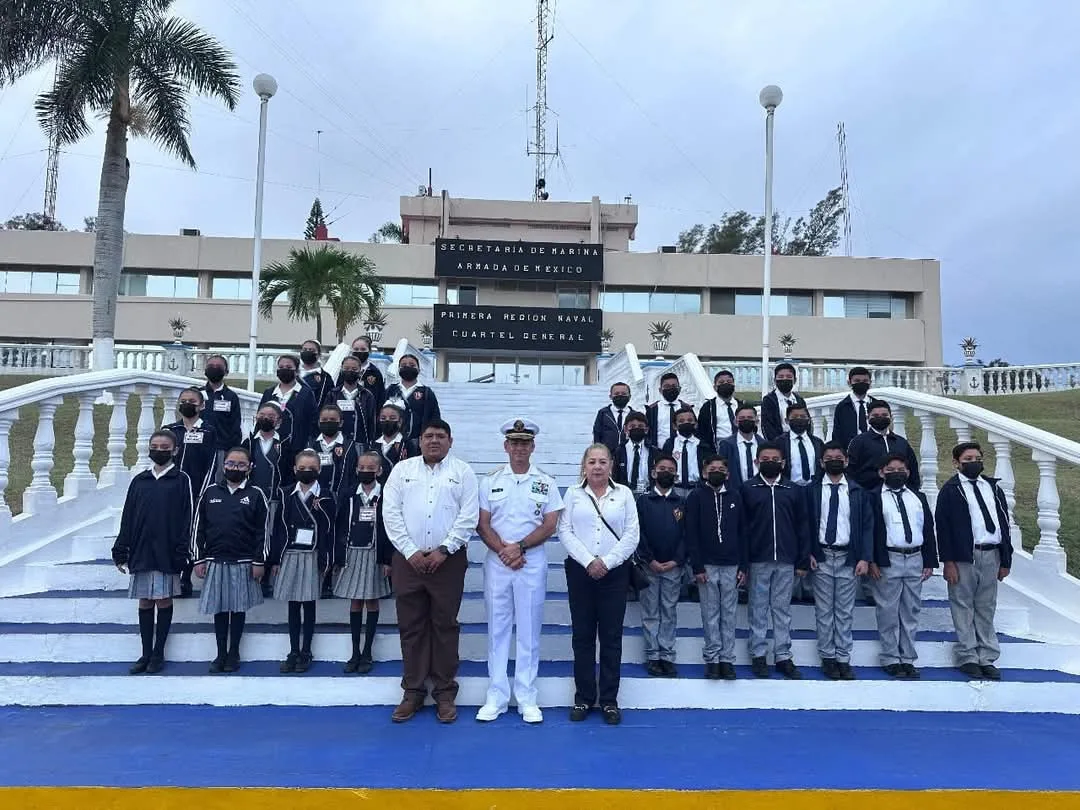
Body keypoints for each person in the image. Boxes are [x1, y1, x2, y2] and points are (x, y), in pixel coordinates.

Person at [382, 419, 479, 724]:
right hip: (408, 561)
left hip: (447, 562)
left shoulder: (462, 472)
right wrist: (410, 551)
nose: (434, 441)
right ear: (419, 441)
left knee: (445, 625)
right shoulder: (402, 471)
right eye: (428, 436)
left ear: (450, 441)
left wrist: (444, 549)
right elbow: (390, 512)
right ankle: (412, 691)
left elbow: (469, 515)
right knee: (411, 627)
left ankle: (445, 693)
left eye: (440, 436)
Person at [475, 419, 563, 724]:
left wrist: (520, 548)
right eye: (514, 443)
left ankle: (526, 697)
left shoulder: (546, 482)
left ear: (533, 446)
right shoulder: (490, 480)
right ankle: (496, 696)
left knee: (528, 630)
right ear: (505, 446)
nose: (519, 448)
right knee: (497, 631)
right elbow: (483, 523)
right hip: (499, 563)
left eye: (525, 443)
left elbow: (550, 523)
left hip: (531, 562)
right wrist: (505, 550)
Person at [558, 444, 640, 726]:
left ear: (611, 465)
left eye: (602, 461)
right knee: (582, 637)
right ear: (584, 465)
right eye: (591, 461)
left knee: (611, 638)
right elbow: (564, 531)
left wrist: (606, 561)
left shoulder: (625, 494)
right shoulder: (572, 494)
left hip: (615, 573)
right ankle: (583, 697)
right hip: (581, 572)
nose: (597, 466)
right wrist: (588, 561)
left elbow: (632, 534)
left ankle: (608, 701)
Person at [111, 430, 192, 675]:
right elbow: (128, 516)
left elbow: (188, 517)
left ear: (175, 450)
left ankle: (159, 653)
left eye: (165, 446)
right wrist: (121, 547)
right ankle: (145, 653)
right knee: (145, 601)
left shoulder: (181, 479)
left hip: (167, 550)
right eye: (155, 446)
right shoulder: (140, 480)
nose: (159, 450)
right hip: (141, 549)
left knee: (163, 599)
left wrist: (183, 551)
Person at [936, 441, 1013, 681]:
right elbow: (943, 528)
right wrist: (948, 562)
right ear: (956, 463)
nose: (973, 463)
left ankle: (987, 656)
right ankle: (968, 655)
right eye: (967, 459)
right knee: (963, 605)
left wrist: (1005, 558)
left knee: (986, 605)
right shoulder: (950, 490)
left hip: (991, 553)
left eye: (977, 458)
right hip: (964, 556)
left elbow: (1003, 523)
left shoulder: (993, 488)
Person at [192, 447, 269, 674]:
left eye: (241, 464)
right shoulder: (209, 492)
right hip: (215, 560)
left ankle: (234, 652)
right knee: (219, 608)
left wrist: (259, 561)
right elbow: (199, 528)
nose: (235, 468)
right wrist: (198, 559)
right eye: (231, 464)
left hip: (244, 562)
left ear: (249, 468)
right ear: (223, 465)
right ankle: (220, 653)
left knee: (237, 609)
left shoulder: (256, 494)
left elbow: (262, 531)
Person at [742, 442, 811, 679]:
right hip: (758, 559)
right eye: (765, 458)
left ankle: (783, 655)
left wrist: (802, 560)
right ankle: (758, 654)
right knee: (758, 609)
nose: (770, 461)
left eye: (775, 458)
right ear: (756, 461)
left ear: (782, 462)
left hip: (786, 559)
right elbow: (741, 529)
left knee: (782, 610)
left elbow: (803, 526)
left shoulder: (793, 489)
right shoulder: (747, 488)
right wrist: (744, 562)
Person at [806, 442, 873, 680]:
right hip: (822, 556)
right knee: (824, 611)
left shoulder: (857, 491)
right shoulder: (812, 490)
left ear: (846, 461)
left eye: (838, 457)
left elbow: (866, 527)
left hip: (848, 557)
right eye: (828, 457)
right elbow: (805, 524)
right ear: (822, 462)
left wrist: (865, 557)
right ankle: (828, 657)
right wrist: (809, 552)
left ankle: (843, 657)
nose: (834, 460)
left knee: (844, 611)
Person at [870, 453, 937, 679]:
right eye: (891, 470)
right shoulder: (874, 497)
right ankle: (890, 657)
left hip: (915, 557)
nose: (896, 474)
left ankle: (907, 658)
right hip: (889, 558)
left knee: (910, 610)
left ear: (908, 472)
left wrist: (929, 560)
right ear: (882, 473)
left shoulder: (918, 497)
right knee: (888, 610)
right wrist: (873, 560)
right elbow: (871, 531)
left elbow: (927, 529)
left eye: (901, 470)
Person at [268, 449, 336, 674]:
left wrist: (327, 560)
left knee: (309, 604)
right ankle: (293, 650)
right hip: (290, 553)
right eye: (302, 468)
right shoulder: (286, 492)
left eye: (311, 468)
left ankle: (306, 650)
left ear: (319, 470)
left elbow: (330, 529)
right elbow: (278, 529)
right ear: (295, 469)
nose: (307, 471)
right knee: (293, 605)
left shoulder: (326, 495)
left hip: (313, 554)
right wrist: (275, 559)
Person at [685, 454, 745, 680]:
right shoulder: (695, 497)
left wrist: (744, 566)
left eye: (721, 468)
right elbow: (691, 533)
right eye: (713, 468)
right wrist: (697, 566)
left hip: (731, 565)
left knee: (728, 614)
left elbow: (743, 533)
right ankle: (712, 659)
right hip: (707, 566)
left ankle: (727, 659)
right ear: (704, 472)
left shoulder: (736, 497)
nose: (717, 471)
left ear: (728, 475)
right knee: (710, 614)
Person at [333, 451, 394, 674]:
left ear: (379, 470)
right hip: (352, 553)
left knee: (372, 601)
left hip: (374, 554)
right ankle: (355, 652)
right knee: (356, 601)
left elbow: (390, 530)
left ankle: (368, 651)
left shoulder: (387, 495)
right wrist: (338, 556)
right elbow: (340, 526)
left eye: (370, 468)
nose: (365, 471)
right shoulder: (349, 494)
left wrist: (388, 559)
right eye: (362, 468)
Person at [164, 387, 218, 598]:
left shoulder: (208, 432)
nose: (188, 403)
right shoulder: (170, 430)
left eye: (192, 400)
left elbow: (211, 465)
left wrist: (203, 493)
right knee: (170, 534)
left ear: (201, 405)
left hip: (195, 493)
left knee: (189, 536)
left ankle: (185, 578)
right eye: (184, 400)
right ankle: (171, 577)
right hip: (171, 494)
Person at [635, 454, 685, 678]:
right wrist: (649, 560)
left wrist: (676, 560)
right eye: (662, 468)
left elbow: (688, 535)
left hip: (674, 567)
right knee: (650, 612)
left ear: (676, 474)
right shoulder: (643, 502)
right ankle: (652, 655)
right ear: (654, 473)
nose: (667, 472)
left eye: (671, 469)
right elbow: (638, 533)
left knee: (669, 611)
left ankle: (667, 655)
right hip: (649, 567)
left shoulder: (682, 501)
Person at [241, 401, 293, 598]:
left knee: (270, 536)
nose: (266, 419)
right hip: (253, 498)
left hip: (274, 499)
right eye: (262, 415)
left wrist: (282, 492)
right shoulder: (248, 442)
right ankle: (250, 574)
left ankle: (267, 578)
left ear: (278, 421)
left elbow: (289, 473)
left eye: (271, 416)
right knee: (252, 534)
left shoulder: (286, 444)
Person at [846, 400, 921, 492]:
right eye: (875, 416)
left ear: (891, 417)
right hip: (870, 496)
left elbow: (913, 470)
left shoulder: (901, 442)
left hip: (901, 494)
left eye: (884, 415)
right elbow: (850, 471)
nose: (880, 418)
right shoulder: (859, 442)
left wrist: (914, 490)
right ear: (868, 418)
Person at [260, 354, 318, 448]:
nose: (284, 369)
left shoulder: (306, 393)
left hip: (297, 446)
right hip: (271, 445)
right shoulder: (269, 393)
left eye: (288, 367)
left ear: (296, 371)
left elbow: (313, 421)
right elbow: (260, 418)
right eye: (281, 367)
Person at [384, 354, 440, 442]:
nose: (407, 367)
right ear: (399, 369)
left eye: (412, 365)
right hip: (392, 442)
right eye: (403, 365)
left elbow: (435, 418)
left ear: (418, 369)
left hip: (418, 443)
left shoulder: (426, 392)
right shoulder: (391, 390)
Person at [325, 354, 377, 449]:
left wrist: (370, 445)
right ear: (341, 370)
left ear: (360, 372)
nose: (350, 371)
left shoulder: (367, 395)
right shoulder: (332, 394)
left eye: (354, 369)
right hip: (336, 445)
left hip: (360, 444)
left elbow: (372, 424)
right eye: (347, 368)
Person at [662, 406, 707, 497]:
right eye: (681, 421)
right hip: (675, 488)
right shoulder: (669, 444)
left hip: (696, 488)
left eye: (690, 420)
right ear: (674, 426)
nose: (686, 423)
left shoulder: (703, 445)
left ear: (696, 424)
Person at [201, 354, 243, 455]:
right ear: (205, 370)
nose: (214, 368)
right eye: (211, 366)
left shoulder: (231, 396)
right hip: (198, 446)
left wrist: (232, 450)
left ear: (226, 371)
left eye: (218, 367)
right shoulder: (198, 394)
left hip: (221, 449)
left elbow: (235, 426)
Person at [718, 404, 765, 487]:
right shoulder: (726, 445)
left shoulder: (764, 444)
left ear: (756, 421)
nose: (746, 420)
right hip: (735, 491)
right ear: (735, 422)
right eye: (742, 418)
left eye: (750, 418)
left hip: (760, 490)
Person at [777, 404, 824, 486]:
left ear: (809, 420)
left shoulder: (818, 443)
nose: (799, 419)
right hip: (789, 488)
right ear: (787, 421)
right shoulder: (779, 443)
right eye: (795, 417)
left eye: (803, 417)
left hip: (813, 489)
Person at [760, 362, 809, 441]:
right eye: (781, 377)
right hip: (779, 443)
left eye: (789, 377)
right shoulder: (769, 400)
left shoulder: (799, 400)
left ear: (795, 380)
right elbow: (767, 427)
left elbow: (807, 422)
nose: (785, 379)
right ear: (775, 380)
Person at [613, 411, 656, 496]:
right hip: (625, 494)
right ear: (625, 429)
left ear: (646, 430)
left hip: (647, 494)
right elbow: (615, 476)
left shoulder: (653, 451)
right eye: (632, 426)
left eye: (640, 426)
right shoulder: (619, 451)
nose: (636, 429)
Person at [646, 372, 692, 449]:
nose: (670, 389)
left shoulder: (687, 408)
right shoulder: (652, 410)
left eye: (674, 386)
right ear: (660, 390)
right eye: (667, 386)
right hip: (659, 453)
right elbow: (647, 433)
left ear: (679, 389)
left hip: (684, 451)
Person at [696, 370, 742, 449]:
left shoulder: (741, 406)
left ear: (734, 385)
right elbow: (702, 431)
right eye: (721, 382)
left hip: (740, 446)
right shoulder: (708, 407)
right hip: (717, 447)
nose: (725, 384)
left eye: (729, 382)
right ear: (715, 387)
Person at [373, 403, 417, 483]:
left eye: (392, 418)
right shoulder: (373, 445)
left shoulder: (407, 444)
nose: (387, 420)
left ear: (400, 421)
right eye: (383, 418)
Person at [831, 367, 873, 451]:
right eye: (857, 381)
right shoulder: (842, 406)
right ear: (849, 383)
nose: (861, 383)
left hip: (873, 450)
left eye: (865, 381)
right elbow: (837, 434)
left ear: (870, 383)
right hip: (850, 451)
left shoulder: (875, 404)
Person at [593, 382, 633, 454]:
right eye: (616, 394)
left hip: (628, 456)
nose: (620, 396)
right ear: (610, 396)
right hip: (607, 456)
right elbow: (597, 434)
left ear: (629, 396)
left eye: (624, 394)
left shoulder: (634, 415)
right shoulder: (603, 413)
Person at [349, 336, 385, 407]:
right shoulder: (345, 370)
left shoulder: (375, 372)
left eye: (363, 349)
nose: (359, 351)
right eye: (356, 349)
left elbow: (381, 397)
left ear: (369, 351)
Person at [298, 339, 333, 408]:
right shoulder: (294, 373)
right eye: (305, 350)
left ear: (319, 354)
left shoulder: (325, 377)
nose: (307, 352)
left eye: (311, 350)